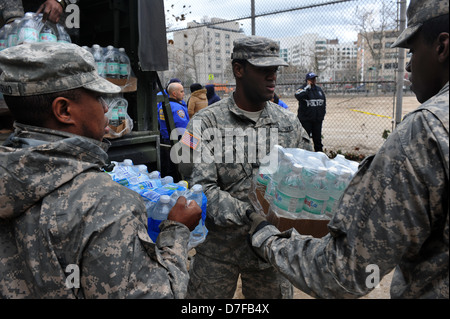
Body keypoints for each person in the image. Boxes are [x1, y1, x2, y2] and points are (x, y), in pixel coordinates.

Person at [246, 0, 448, 299]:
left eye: (413, 50)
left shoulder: (425, 132)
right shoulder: (209, 121)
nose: (408, 63)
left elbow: (345, 273)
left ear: (442, 46)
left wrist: (266, 236)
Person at [0, 42, 202, 298]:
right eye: (97, 97)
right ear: (64, 110)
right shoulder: (107, 206)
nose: (106, 107)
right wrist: (176, 231)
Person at [177, 36, 312, 299]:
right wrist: (251, 215)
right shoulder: (206, 123)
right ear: (239, 70)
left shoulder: (288, 122)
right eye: (264, 70)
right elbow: (200, 188)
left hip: (270, 251)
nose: (272, 77)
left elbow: (306, 175)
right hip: (218, 251)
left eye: (275, 70)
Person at [295, 72, 326, 152]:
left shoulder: (318, 90)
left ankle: (319, 157)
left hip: (317, 120)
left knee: (318, 140)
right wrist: (307, 88)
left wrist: (321, 116)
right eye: (311, 79)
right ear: (307, 80)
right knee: (305, 140)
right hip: (306, 120)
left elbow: (323, 103)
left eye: (314, 78)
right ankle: (304, 157)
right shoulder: (302, 89)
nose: (313, 80)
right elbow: (298, 95)